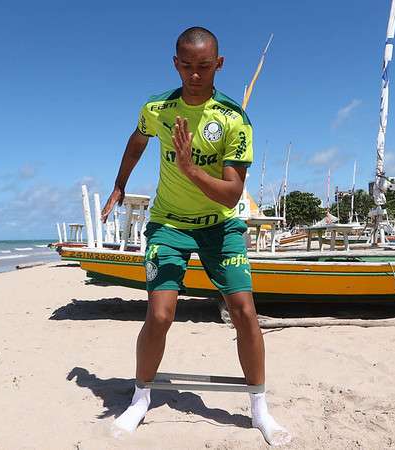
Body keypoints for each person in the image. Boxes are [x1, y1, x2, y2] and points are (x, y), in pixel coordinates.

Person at [100, 26, 290, 446]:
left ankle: (259, 407)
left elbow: (232, 193)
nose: (195, 75)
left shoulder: (233, 119)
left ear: (218, 64)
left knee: (244, 311)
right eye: (186, 66)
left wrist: (189, 169)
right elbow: (137, 140)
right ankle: (140, 396)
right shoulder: (157, 108)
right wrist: (118, 183)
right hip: (168, 225)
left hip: (219, 228)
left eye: (204, 66)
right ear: (175, 64)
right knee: (161, 315)